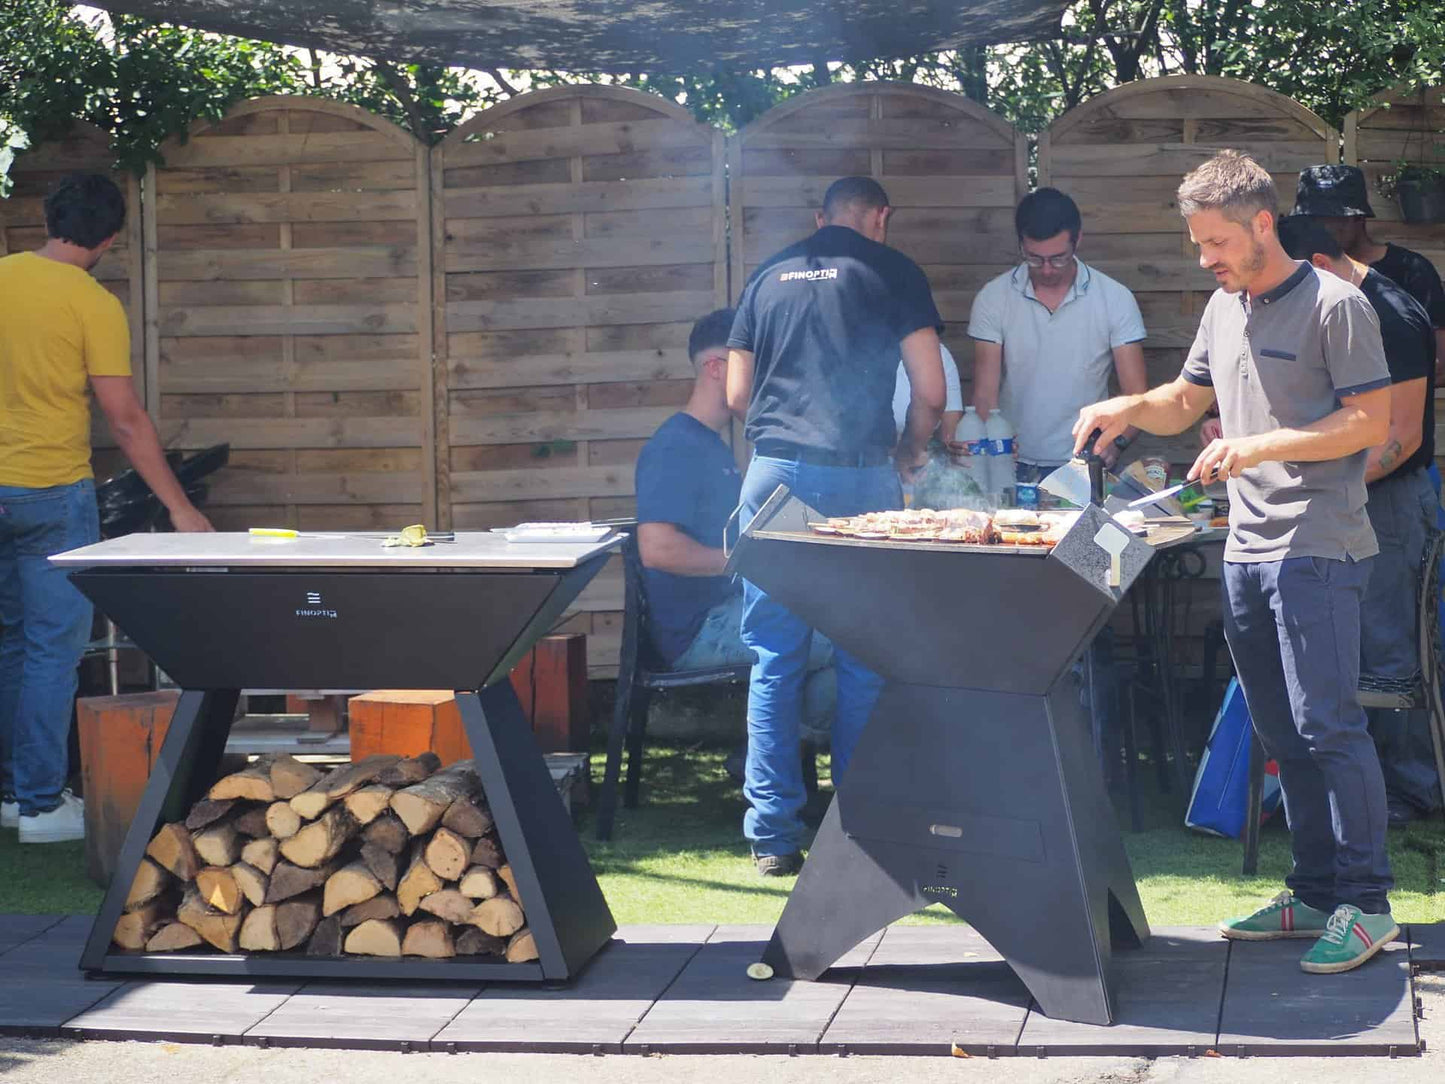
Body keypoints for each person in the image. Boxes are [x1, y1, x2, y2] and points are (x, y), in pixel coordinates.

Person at [1075, 150, 1397, 975]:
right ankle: (1315, 890)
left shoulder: (1336, 305)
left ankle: (1366, 904)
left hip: (1318, 544)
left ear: (1261, 224)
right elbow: (1184, 402)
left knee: (1329, 725)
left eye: (1215, 240)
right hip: (1245, 548)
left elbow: (1369, 425)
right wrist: (1124, 407)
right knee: (1280, 730)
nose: (1204, 258)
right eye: (1196, 243)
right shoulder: (1225, 309)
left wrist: (1255, 445)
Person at [727, 176, 945, 875]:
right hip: (857, 477)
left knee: (774, 658)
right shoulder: (891, 268)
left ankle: (772, 836)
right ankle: (856, 828)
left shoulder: (766, 276)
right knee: (860, 655)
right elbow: (931, 391)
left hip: (774, 475)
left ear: (818, 217)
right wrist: (910, 450)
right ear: (879, 217)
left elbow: (737, 394)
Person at [0, 173, 213, 845]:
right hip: (53, 493)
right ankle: (38, 806)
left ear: (46, 219)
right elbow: (124, 420)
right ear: (111, 238)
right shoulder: (93, 303)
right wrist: (178, 507)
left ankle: (11, 794)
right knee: (51, 652)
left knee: (8, 642)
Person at [1277, 215, 1442, 824]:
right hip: (1344, 497)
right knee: (1350, 651)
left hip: (1392, 503)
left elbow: (1397, 438)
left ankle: (1411, 792)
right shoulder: (1331, 304)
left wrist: (1300, 474)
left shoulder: (1391, 315)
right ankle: (1357, 792)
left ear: (1317, 268)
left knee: (1391, 652)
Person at [633, 309, 834, 775]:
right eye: (753, 366)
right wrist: (747, 562)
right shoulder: (676, 447)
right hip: (698, 632)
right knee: (852, 639)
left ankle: (766, 756)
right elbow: (657, 549)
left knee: (850, 637)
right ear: (715, 367)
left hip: (727, 612)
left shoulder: (712, 444)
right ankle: (770, 758)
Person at [969, 187, 1149, 481]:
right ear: (1021, 246)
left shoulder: (1115, 298)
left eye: (1059, 258)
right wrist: (993, 454)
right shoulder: (993, 298)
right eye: (1035, 259)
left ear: (1078, 240)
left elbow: (1136, 397)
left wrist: (1116, 443)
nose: (1048, 269)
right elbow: (984, 396)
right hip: (1013, 463)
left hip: (1085, 461)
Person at [1291, 164, 1445, 382]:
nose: (1320, 229)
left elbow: (1439, 363)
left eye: (1331, 219)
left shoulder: (1411, 270)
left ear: (1358, 218)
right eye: (1311, 221)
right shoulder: (1306, 274)